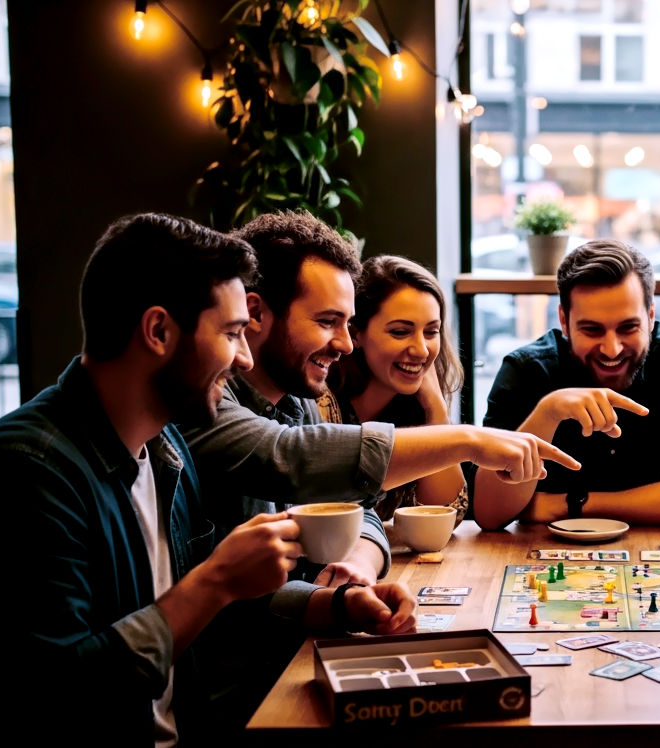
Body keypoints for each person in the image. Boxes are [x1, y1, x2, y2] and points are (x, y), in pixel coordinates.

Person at [4, 214, 416, 746]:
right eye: (231, 333)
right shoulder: (30, 469)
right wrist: (215, 580)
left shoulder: (167, 450)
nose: (244, 357)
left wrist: (337, 604)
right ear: (158, 332)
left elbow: (216, 616)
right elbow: (56, 693)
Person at [182, 211, 577, 587]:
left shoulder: (294, 401)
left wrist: (358, 569)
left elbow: (353, 507)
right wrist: (468, 440)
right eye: (327, 322)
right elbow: (287, 456)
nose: (344, 344)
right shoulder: (197, 399)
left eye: (431, 331)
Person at [474, 238, 660, 529]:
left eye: (628, 327)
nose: (612, 349)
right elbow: (487, 513)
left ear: (651, 315)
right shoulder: (526, 370)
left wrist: (570, 504)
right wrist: (548, 412)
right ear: (564, 321)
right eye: (592, 330)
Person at [322, 255, 469, 524]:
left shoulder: (412, 407)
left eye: (431, 332)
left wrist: (436, 411)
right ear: (356, 334)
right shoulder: (319, 404)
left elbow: (450, 515)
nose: (421, 350)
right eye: (400, 332)